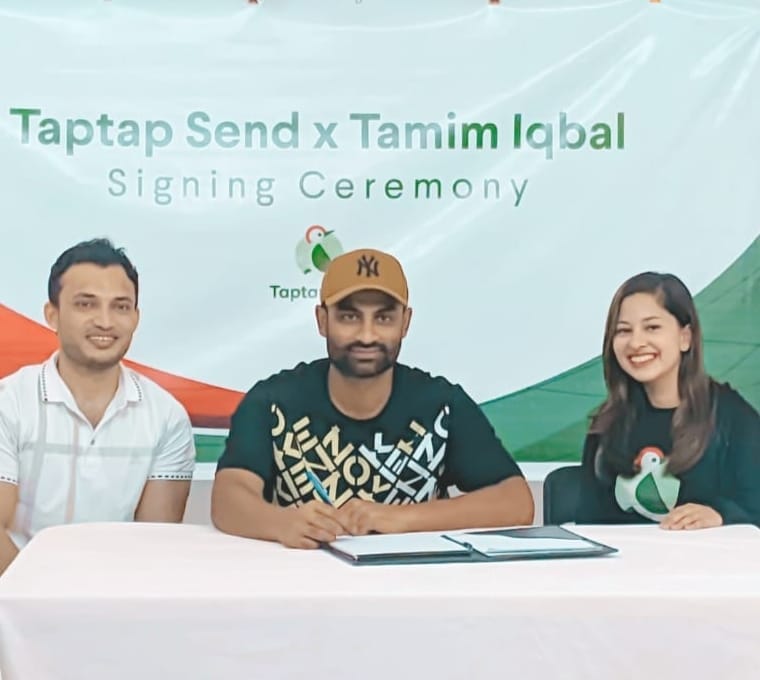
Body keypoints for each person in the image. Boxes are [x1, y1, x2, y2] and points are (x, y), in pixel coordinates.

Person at [212, 248, 533, 548]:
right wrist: (282, 523)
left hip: (416, 581)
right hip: (299, 580)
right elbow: (227, 498)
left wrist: (400, 518)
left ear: (405, 322)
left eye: (383, 318)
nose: (367, 336)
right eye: (349, 317)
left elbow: (516, 503)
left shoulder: (442, 406)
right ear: (322, 320)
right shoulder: (272, 402)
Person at [0, 238, 196, 574]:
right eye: (86, 304)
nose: (105, 322)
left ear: (136, 317)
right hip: (17, 593)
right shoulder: (9, 402)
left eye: (120, 307)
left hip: (120, 593)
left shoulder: (167, 417)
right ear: (52, 315)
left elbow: (155, 544)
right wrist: (41, 597)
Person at [575, 272, 760, 529]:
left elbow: (754, 506)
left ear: (685, 337)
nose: (636, 343)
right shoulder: (606, 425)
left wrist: (721, 515)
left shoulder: (732, 416)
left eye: (652, 327)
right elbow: (590, 525)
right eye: (623, 331)